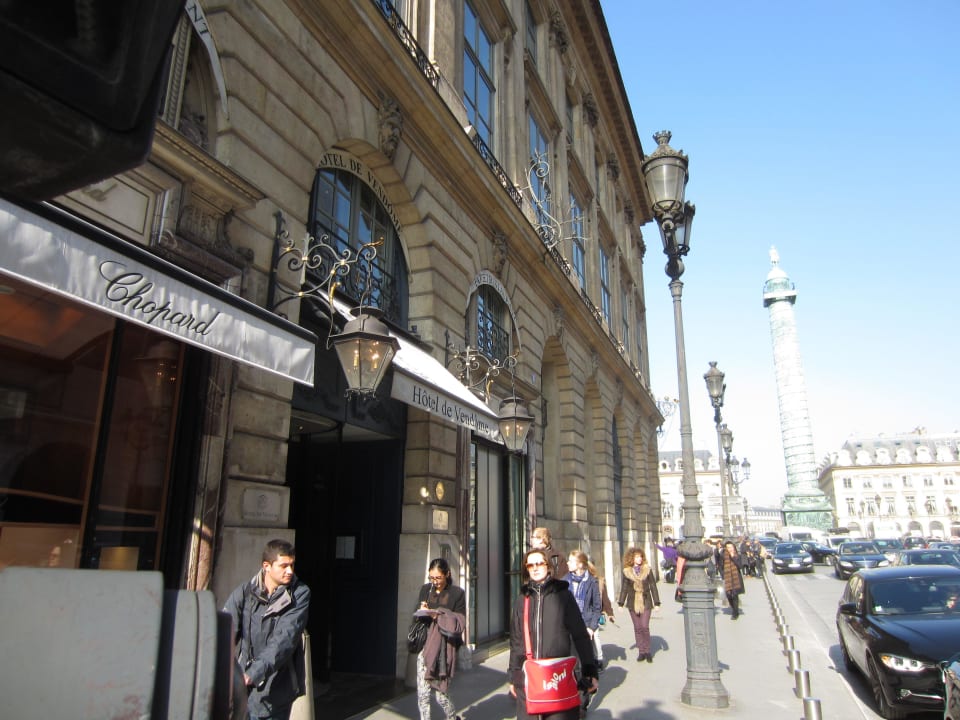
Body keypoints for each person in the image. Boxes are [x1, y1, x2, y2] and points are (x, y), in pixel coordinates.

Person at [223, 538, 310, 720]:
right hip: (241, 690)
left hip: (276, 689)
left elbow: (284, 640)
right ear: (266, 566)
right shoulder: (246, 592)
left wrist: (253, 674)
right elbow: (224, 630)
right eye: (284, 565)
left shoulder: (299, 594)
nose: (290, 571)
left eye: (292, 565)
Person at [509, 548, 599, 720]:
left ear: (548, 566)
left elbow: (580, 635)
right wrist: (514, 675)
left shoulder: (563, 595)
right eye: (530, 565)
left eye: (539, 563)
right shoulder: (522, 600)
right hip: (530, 678)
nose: (535, 568)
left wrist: (589, 669)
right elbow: (516, 641)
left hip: (558, 677)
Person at [414, 558, 466, 720]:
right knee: (423, 693)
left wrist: (440, 615)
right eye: (431, 578)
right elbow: (418, 616)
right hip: (425, 645)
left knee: (441, 696)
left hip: (444, 648)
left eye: (438, 578)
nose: (434, 582)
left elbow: (459, 621)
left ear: (447, 574)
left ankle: (451, 717)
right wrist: (422, 610)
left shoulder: (457, 593)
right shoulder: (425, 590)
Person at [617, 547, 660, 662]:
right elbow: (624, 588)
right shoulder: (627, 572)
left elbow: (653, 586)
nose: (639, 559)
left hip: (646, 601)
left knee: (644, 626)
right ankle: (641, 652)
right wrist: (620, 603)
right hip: (632, 602)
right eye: (637, 556)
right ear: (632, 558)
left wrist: (657, 603)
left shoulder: (647, 570)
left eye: (640, 556)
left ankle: (647, 651)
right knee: (637, 628)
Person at [564, 551, 602, 671]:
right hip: (569, 626)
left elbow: (597, 607)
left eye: (571, 561)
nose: (567, 563)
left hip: (586, 625)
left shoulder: (591, 582)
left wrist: (592, 627)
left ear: (580, 564)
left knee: (586, 662)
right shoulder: (564, 581)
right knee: (572, 662)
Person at [720, 540, 745, 619]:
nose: (729, 549)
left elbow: (740, 566)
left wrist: (733, 556)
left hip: (736, 577)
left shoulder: (737, 555)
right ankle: (734, 608)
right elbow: (720, 565)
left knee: (734, 594)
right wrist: (723, 575)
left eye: (731, 547)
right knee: (728, 595)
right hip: (727, 577)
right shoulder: (723, 555)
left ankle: (735, 612)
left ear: (734, 547)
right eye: (728, 547)